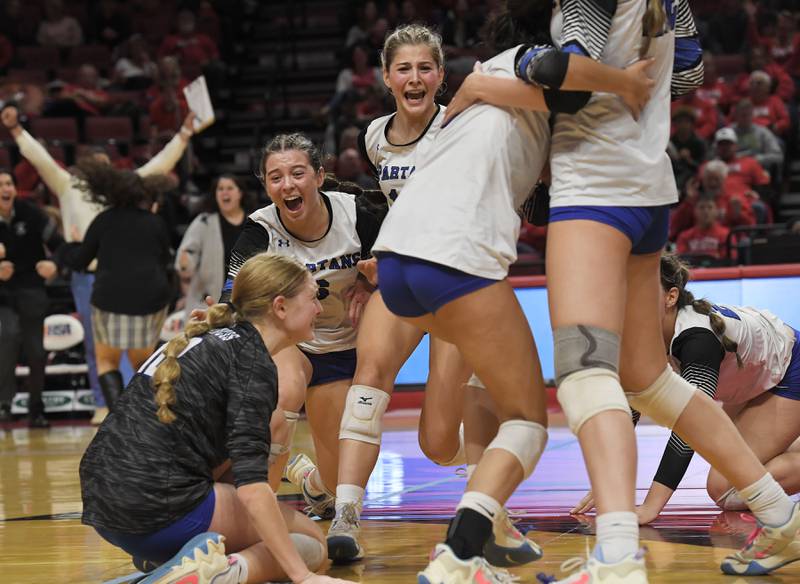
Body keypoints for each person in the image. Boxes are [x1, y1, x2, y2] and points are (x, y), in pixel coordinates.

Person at [369, 1, 656, 581]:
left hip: (398, 259)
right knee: (526, 420)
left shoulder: (484, 96)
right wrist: (624, 81)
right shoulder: (510, 63)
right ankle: (457, 556)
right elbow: (556, 75)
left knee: (465, 414)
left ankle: (478, 534)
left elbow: (540, 196)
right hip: (454, 255)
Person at [529, 0, 800, 580]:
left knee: (583, 369)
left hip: (592, 182)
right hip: (648, 183)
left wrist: (516, 68)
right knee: (648, 382)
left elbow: (568, 77)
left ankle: (617, 556)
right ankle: (782, 519)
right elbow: (692, 73)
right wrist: (633, 84)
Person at [327, 23, 536, 568]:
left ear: (443, 76)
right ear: (387, 77)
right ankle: (345, 516)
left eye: (425, 68)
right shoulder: (373, 136)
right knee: (367, 378)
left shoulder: (461, 123)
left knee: (438, 441)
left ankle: (486, 511)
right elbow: (389, 204)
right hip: (402, 268)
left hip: (458, 270)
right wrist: (370, 261)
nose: (415, 77)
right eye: (404, 68)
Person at [79, 252, 354, 584]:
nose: (320, 309)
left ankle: (171, 561)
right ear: (280, 307)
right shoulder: (252, 364)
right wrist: (303, 577)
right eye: (313, 298)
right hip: (157, 511)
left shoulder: (210, 336)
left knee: (260, 491)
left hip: (106, 507)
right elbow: (253, 489)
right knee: (311, 545)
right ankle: (217, 574)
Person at [1, 104, 195, 425]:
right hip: (90, 277)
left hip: (116, 277)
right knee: (98, 348)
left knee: (128, 352)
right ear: (88, 171)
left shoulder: (126, 190)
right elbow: (41, 159)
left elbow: (162, 163)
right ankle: (105, 405)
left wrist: (185, 134)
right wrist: (17, 131)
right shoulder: (69, 186)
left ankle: (131, 408)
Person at [221, 133, 382, 521]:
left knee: (337, 476)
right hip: (293, 343)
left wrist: (372, 278)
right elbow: (232, 292)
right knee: (286, 392)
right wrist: (218, 314)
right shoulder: (260, 230)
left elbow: (401, 256)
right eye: (276, 178)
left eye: (297, 173)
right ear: (266, 185)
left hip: (344, 345)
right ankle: (258, 517)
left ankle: (311, 482)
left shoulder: (357, 213)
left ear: (319, 176)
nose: (287, 185)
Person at [629, 253, 800, 524]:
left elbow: (689, 429)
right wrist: (607, 483)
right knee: (734, 470)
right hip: (754, 377)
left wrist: (651, 507)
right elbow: (630, 406)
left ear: (670, 297)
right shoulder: (644, 335)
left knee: (724, 489)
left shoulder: (697, 339)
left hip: (789, 369)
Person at [58, 161, 175, 415]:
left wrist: (67, 246)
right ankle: (154, 421)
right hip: (150, 299)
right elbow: (165, 260)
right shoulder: (155, 222)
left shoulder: (104, 220)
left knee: (107, 361)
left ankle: (119, 421)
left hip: (110, 298)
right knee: (143, 364)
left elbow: (79, 262)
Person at [0, 170, 63, 427]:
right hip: (2, 296)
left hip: (31, 290)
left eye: (8, 184)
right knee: (8, 337)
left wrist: (54, 265)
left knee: (37, 352)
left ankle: (36, 407)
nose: (5, 189)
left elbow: (60, 246)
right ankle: (4, 403)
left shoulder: (32, 213)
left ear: (14, 189)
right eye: (0, 185)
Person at [177, 175, 254, 315]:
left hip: (245, 300)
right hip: (208, 301)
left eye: (230, 188)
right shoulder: (204, 221)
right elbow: (186, 257)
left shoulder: (254, 223)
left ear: (240, 193)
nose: (225, 192)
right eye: (220, 189)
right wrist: (185, 263)